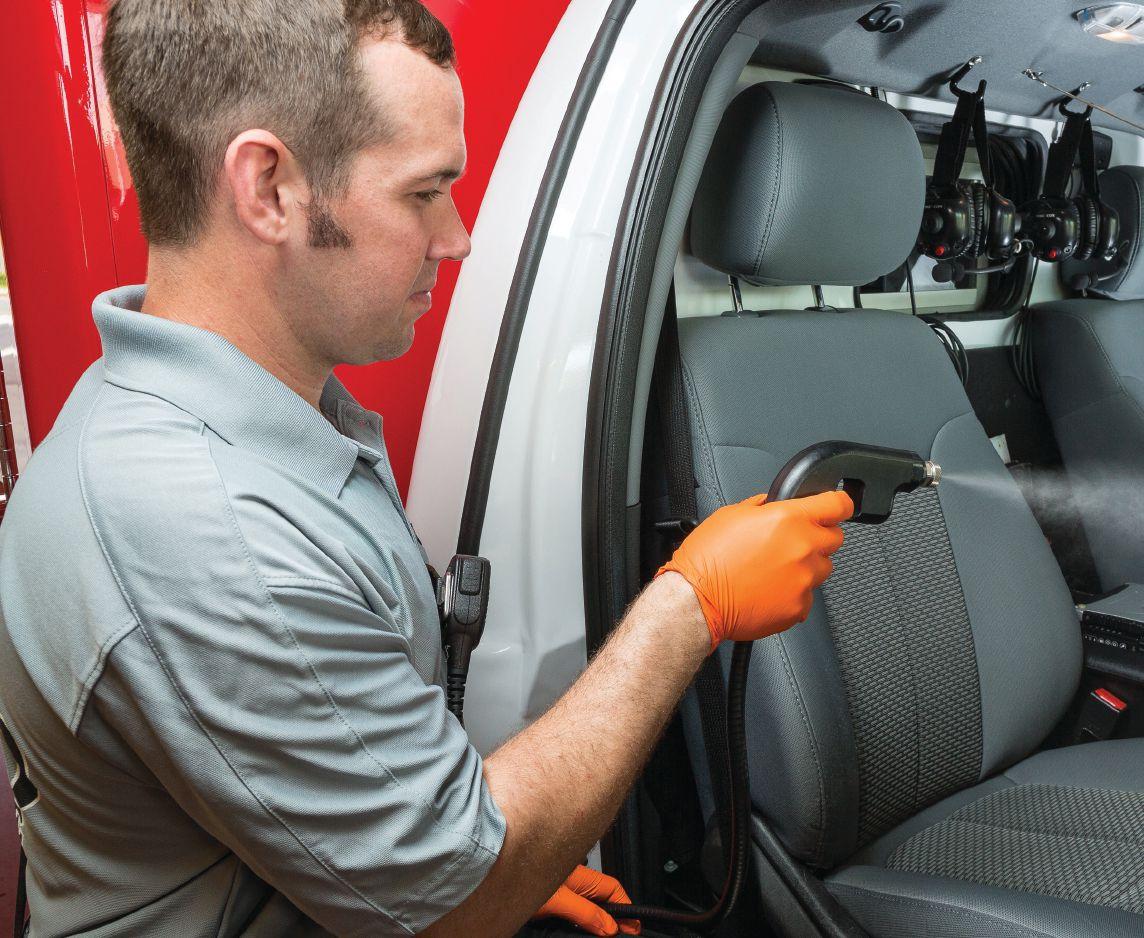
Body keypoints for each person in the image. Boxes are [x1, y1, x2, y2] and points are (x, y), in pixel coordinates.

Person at [0, 1, 852, 935]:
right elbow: (456, 907)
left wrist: (446, 838)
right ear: (268, 188)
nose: (456, 236)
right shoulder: (206, 527)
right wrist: (691, 607)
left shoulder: (239, 423)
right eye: (422, 192)